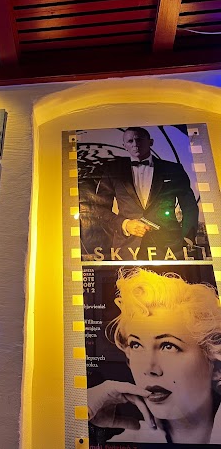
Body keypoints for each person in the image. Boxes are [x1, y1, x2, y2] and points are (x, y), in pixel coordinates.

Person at [88, 268, 221, 444]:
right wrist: (85, 411)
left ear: (216, 366)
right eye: (136, 345)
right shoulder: (125, 441)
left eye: (168, 346)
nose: (149, 368)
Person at [93, 127, 198, 260]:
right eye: (130, 141)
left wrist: (188, 238)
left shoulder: (173, 169)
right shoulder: (112, 170)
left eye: (139, 140)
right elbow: (99, 208)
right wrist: (125, 224)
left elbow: (189, 206)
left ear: (150, 142)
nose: (135, 144)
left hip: (170, 247)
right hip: (126, 248)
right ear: (124, 146)